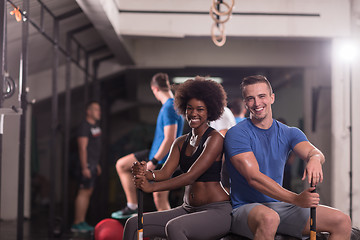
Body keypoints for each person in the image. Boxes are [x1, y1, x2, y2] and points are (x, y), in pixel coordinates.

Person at [224, 75, 352, 240]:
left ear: (272, 98)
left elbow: (315, 152)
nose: (257, 103)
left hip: (279, 206)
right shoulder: (237, 133)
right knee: (269, 218)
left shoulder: (290, 132)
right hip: (246, 208)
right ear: (245, 103)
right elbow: (253, 178)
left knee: (342, 221)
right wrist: (296, 199)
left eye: (262, 96)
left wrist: (314, 159)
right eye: (250, 98)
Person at [123, 77, 232, 240]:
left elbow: (191, 176)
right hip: (188, 208)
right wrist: (145, 173)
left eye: (200, 109)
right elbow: (165, 173)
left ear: (209, 111)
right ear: (183, 109)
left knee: (175, 227)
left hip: (216, 210)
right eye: (190, 108)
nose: (194, 113)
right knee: (133, 224)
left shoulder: (215, 139)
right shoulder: (181, 142)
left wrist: (152, 188)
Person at [112, 73, 184, 218]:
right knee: (122, 165)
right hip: (154, 152)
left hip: (163, 159)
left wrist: (154, 161)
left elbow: (170, 138)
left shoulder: (170, 107)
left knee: (160, 199)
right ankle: (132, 205)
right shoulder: (170, 106)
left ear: (154, 89)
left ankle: (169, 232)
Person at [71, 101, 102, 232]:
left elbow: (93, 148)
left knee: (88, 193)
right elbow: (82, 148)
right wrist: (85, 167)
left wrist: (96, 164)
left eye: (99, 109)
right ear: (88, 111)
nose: (98, 112)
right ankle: (77, 223)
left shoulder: (95, 126)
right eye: (95, 109)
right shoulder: (84, 127)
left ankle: (82, 221)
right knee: (83, 192)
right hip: (86, 165)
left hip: (93, 164)